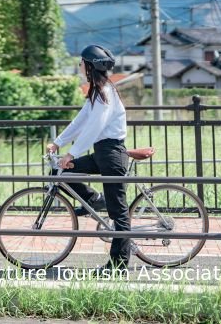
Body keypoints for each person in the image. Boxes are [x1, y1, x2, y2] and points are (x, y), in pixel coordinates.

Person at [47, 44, 131, 275]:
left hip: (112, 154)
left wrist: (71, 154)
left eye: (82, 62)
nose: (80, 66)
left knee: (118, 211)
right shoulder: (96, 92)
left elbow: (94, 127)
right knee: (59, 174)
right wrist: (58, 142)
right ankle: (95, 199)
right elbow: (81, 120)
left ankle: (119, 265)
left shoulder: (105, 93)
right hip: (102, 154)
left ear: (90, 66)